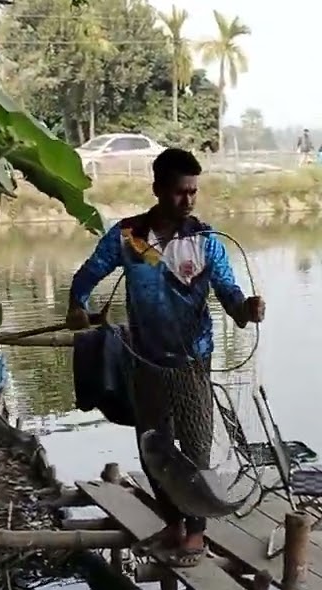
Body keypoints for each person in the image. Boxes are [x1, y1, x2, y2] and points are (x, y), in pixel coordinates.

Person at [66, 148, 266, 567]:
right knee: (153, 446)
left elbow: (229, 295)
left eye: (193, 192)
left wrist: (246, 309)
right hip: (145, 358)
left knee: (195, 445)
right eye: (179, 192)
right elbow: (87, 274)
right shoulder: (131, 237)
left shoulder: (206, 241)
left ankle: (196, 532)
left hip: (193, 360)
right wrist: (77, 305)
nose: (188, 200)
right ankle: (172, 523)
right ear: (157, 189)